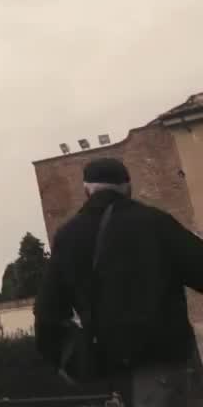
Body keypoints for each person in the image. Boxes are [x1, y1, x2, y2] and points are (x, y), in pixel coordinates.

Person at [34, 157, 203, 406]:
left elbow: (47, 312)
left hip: (106, 370)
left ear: (86, 190)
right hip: (166, 365)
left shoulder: (68, 236)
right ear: (128, 186)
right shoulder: (155, 222)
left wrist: (65, 361)